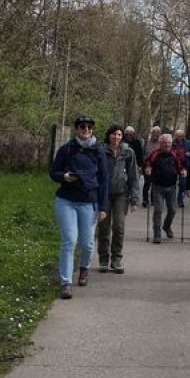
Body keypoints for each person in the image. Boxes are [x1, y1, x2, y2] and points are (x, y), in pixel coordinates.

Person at [49, 115, 108, 299]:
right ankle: (66, 282)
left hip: (89, 201)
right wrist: (64, 176)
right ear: (76, 129)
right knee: (69, 240)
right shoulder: (66, 149)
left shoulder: (99, 150)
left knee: (87, 242)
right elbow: (53, 172)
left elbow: (104, 180)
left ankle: (84, 269)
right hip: (66, 200)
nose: (86, 129)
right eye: (82, 126)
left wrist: (103, 207)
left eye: (89, 127)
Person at [97, 124, 140, 274]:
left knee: (119, 226)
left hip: (122, 193)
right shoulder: (101, 151)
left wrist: (135, 199)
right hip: (104, 193)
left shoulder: (128, 152)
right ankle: (103, 259)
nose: (116, 137)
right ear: (109, 135)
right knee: (104, 227)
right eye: (114, 134)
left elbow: (134, 176)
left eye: (119, 135)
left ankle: (116, 259)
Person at [144, 133, 186, 243]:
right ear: (160, 143)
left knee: (172, 210)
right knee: (158, 210)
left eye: (168, 143)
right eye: (164, 143)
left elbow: (181, 166)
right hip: (158, 186)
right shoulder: (155, 154)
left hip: (172, 186)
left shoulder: (175, 155)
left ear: (171, 143)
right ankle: (157, 234)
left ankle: (166, 226)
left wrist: (182, 172)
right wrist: (148, 169)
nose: (166, 145)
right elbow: (148, 163)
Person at [142, 125, 161, 207]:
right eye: (154, 133)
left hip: (157, 166)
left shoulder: (161, 143)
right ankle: (145, 200)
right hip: (147, 165)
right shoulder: (146, 142)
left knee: (155, 184)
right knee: (147, 183)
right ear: (151, 133)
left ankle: (153, 200)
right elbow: (142, 154)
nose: (156, 134)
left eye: (158, 133)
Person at [172, 129, 190, 207]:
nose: (179, 137)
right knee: (172, 182)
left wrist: (189, 154)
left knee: (183, 183)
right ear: (176, 136)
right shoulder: (172, 143)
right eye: (178, 136)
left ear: (183, 136)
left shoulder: (187, 143)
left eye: (181, 136)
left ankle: (180, 200)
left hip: (183, 166)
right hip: (173, 165)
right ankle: (171, 199)